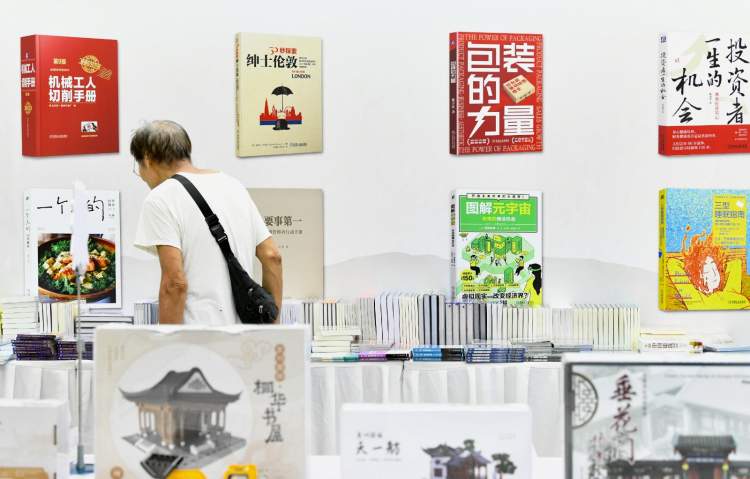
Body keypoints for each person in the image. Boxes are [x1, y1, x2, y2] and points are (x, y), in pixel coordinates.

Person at [131, 120, 282, 325]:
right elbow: (272, 256)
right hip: (246, 337)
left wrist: (167, 341)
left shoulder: (161, 198)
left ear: (147, 159)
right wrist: (271, 327)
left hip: (199, 338)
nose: (141, 176)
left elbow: (175, 284)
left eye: (138, 167)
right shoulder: (233, 186)